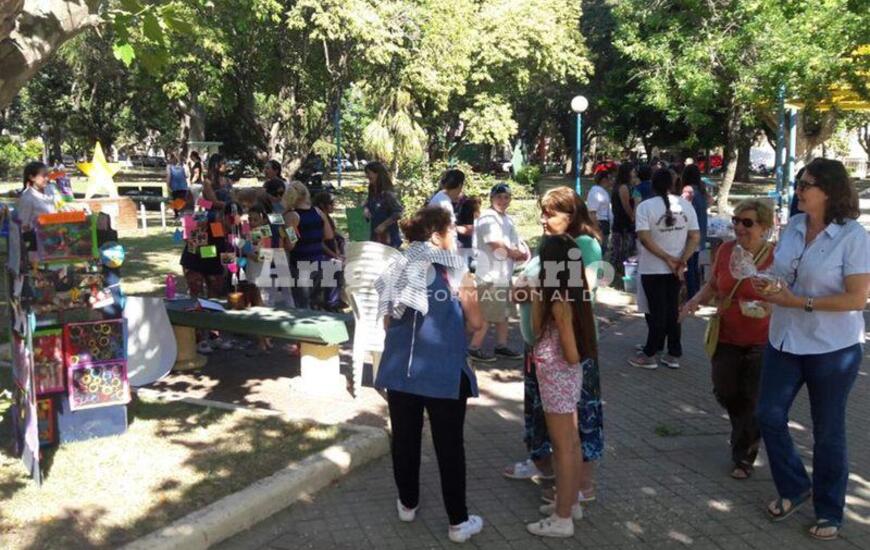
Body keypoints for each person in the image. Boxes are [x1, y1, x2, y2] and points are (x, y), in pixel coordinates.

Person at [753, 158, 869, 541]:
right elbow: (784, 274)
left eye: (808, 184)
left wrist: (797, 303)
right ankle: (795, 486)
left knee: (828, 431)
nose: (800, 190)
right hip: (785, 339)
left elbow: (857, 298)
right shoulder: (795, 226)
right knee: (768, 414)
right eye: (799, 182)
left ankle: (830, 510)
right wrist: (769, 288)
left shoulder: (853, 236)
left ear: (830, 192)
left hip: (832, 349)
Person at [374, 206, 485, 544]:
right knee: (449, 447)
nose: (456, 236)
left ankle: (407, 504)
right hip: (443, 373)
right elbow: (477, 323)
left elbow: (387, 320)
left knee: (404, 440)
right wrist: (458, 342)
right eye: (451, 230)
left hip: (399, 373)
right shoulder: (456, 270)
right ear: (437, 234)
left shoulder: (396, 267)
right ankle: (457, 523)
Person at [504, 187, 605, 508]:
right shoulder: (547, 243)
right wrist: (523, 291)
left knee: (580, 417)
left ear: (571, 215)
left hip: (568, 346)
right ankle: (545, 465)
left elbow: (583, 287)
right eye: (542, 212)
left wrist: (534, 290)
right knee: (540, 412)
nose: (543, 219)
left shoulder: (585, 244)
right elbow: (533, 282)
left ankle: (581, 484)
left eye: (550, 213)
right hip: (540, 346)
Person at [680, 199, 775, 479]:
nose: (739, 227)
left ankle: (744, 456)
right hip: (727, 333)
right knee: (725, 390)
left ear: (764, 227)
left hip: (762, 338)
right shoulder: (725, 250)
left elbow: (785, 293)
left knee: (752, 397)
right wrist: (694, 301)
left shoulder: (776, 257)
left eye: (747, 222)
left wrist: (773, 305)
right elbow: (712, 284)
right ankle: (741, 430)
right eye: (736, 220)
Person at [523, 234, 599, 538]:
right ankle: (569, 503)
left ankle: (562, 516)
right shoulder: (569, 294)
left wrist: (540, 298)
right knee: (572, 443)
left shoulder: (560, 303)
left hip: (558, 378)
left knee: (563, 447)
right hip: (559, 379)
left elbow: (570, 353)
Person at [628, 169, 700, 369]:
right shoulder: (686, 205)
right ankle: (673, 352)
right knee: (672, 311)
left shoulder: (645, 207)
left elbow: (644, 236)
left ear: (653, 184)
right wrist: (681, 260)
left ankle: (650, 353)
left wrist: (667, 258)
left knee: (656, 313)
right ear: (672, 184)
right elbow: (695, 237)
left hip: (652, 268)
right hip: (676, 269)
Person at [468, 183, 528, 362]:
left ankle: (501, 345)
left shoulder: (507, 219)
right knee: (487, 314)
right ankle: (474, 347)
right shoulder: (488, 217)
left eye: (506, 197)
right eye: (499, 197)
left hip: (504, 274)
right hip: (490, 276)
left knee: (504, 313)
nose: (503, 200)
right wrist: (515, 254)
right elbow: (494, 244)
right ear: (491, 198)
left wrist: (519, 253)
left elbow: (514, 242)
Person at [283, 180, 334, 309]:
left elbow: (291, 244)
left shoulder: (292, 216)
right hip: (319, 262)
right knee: (316, 301)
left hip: (301, 264)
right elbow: (329, 235)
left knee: (302, 304)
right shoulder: (318, 212)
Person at [312, 191, 345, 311]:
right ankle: (330, 301)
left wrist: (338, 252)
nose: (333, 206)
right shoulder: (318, 218)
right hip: (322, 254)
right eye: (331, 204)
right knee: (332, 266)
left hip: (331, 252)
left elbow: (333, 237)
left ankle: (333, 299)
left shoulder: (328, 218)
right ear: (322, 204)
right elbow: (320, 242)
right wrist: (334, 255)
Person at [681, 164, 710, 300]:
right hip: (700, 232)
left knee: (689, 267)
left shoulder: (688, 191)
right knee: (694, 266)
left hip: (690, 235)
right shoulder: (701, 190)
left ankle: (692, 296)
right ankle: (697, 294)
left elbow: (681, 209)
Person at [364, 161, 403, 248]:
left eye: (369, 173)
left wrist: (384, 225)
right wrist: (366, 208)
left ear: (378, 174)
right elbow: (368, 203)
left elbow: (398, 213)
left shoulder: (388, 193)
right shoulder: (372, 190)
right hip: (375, 237)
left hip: (388, 238)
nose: (367, 176)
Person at [610, 163, 636, 282]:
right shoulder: (623, 187)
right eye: (632, 171)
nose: (634, 173)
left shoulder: (621, 186)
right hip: (623, 224)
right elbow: (626, 206)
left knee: (619, 250)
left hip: (620, 223)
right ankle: (617, 273)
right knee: (622, 250)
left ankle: (617, 272)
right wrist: (632, 216)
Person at [16, 161, 54, 230]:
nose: (47, 178)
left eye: (47, 175)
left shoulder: (50, 189)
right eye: (44, 176)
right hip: (37, 238)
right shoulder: (27, 198)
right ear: (32, 178)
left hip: (54, 233)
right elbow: (23, 225)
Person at [586, 171, 612, 256]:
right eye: (610, 179)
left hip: (604, 223)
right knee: (598, 250)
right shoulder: (596, 192)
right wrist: (597, 228)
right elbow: (592, 212)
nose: (612, 181)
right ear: (604, 180)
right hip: (600, 222)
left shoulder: (603, 191)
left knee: (603, 250)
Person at [166, 151, 189, 216]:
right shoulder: (183, 166)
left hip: (174, 186)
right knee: (182, 200)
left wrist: (167, 185)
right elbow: (187, 175)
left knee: (175, 199)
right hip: (183, 186)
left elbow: (168, 176)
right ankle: (182, 214)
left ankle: (177, 214)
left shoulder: (169, 166)